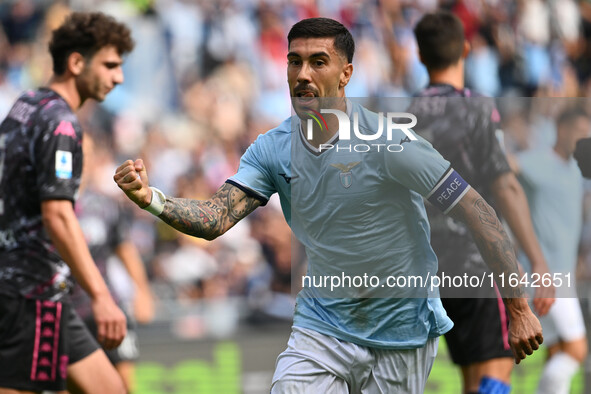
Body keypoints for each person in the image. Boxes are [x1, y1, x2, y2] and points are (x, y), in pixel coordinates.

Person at [114, 17, 543, 392]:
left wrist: (518, 306)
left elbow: (476, 209)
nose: (303, 74)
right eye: (294, 61)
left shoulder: (389, 142)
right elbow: (214, 218)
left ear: (345, 74)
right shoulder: (272, 150)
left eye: (318, 62)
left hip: (401, 327)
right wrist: (151, 199)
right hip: (323, 326)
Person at [409, 11, 554, 394]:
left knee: (474, 380)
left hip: (428, 266)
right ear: (466, 50)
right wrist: (536, 259)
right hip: (478, 262)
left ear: (421, 56)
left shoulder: (404, 116)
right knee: (494, 374)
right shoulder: (475, 108)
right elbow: (505, 186)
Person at [0, 12, 133, 394]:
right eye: (109, 65)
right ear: (76, 63)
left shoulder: (26, 104)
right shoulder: (61, 123)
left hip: (40, 291)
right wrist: (102, 296)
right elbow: (57, 214)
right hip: (28, 294)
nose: (118, 77)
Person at [513, 106, 590, 394]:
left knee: (556, 350)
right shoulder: (538, 161)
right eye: (580, 133)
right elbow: (506, 168)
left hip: (563, 275)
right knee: (577, 349)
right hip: (546, 277)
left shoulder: (575, 170)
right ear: (562, 130)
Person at [71, 134, 155, 392]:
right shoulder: (50, 205)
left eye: (89, 152)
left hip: (110, 307)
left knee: (124, 384)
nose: (83, 158)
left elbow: (125, 251)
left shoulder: (104, 205)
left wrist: (143, 292)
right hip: (70, 309)